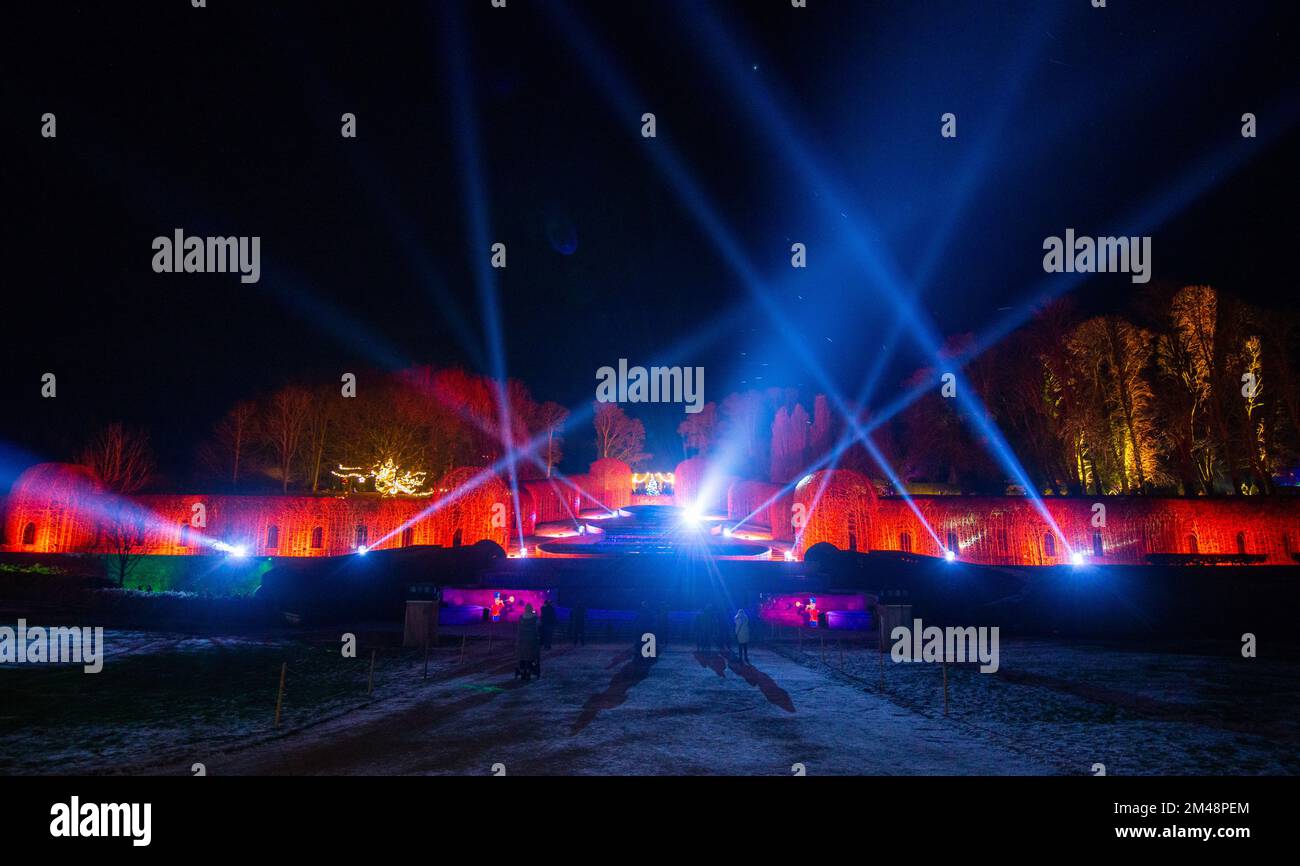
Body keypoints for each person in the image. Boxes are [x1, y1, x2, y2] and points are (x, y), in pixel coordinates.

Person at [516, 603, 541, 681]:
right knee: (531, 657)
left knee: (522, 657)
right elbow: (539, 627)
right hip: (532, 640)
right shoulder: (535, 618)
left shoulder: (521, 618)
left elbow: (519, 630)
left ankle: (522, 671)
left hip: (522, 641)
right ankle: (529, 672)